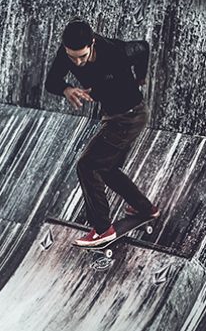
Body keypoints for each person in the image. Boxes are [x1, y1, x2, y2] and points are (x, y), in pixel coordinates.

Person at [45, 18, 159, 248]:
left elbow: (143, 47)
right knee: (106, 168)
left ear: (93, 43)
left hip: (130, 116)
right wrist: (66, 88)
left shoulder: (116, 52)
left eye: (82, 57)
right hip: (113, 115)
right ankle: (145, 208)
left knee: (87, 165)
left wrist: (141, 75)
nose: (77, 63)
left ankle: (102, 229)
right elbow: (51, 81)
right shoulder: (67, 52)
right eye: (72, 57)